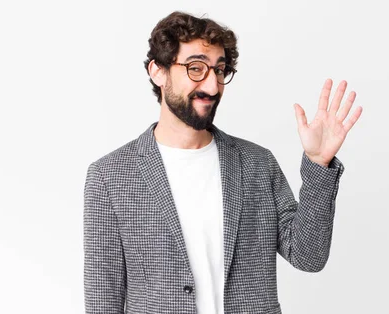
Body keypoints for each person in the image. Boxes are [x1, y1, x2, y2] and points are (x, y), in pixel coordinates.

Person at [83, 10, 362, 314]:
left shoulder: (257, 164)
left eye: (219, 70)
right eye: (196, 68)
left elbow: (308, 255)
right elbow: (102, 300)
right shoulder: (109, 177)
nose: (213, 86)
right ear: (158, 72)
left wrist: (318, 164)